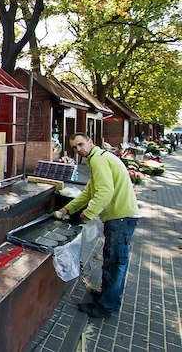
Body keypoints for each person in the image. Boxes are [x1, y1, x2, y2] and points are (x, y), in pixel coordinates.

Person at [56, 132, 139, 318]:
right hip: (121, 217)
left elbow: (105, 192)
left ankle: (105, 306)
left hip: (121, 217)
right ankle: (109, 296)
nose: (78, 149)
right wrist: (66, 210)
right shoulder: (98, 158)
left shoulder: (97, 160)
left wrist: (87, 214)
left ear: (90, 142)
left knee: (115, 262)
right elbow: (88, 193)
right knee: (113, 261)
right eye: (75, 147)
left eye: (80, 144)